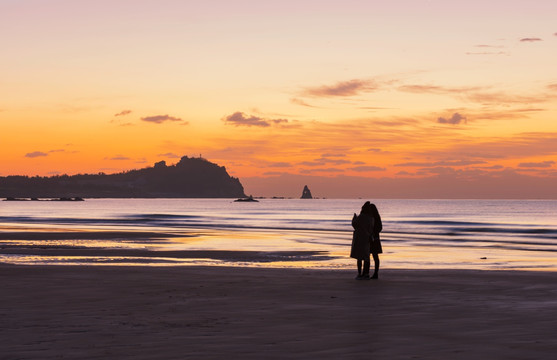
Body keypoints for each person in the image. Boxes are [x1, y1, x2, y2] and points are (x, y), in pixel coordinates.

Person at [350, 202, 374, 280]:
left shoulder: (361, 217)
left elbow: (355, 225)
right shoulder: (371, 218)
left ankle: (359, 273)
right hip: (367, 238)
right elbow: (371, 229)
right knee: (366, 256)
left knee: (359, 257)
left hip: (359, 238)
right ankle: (366, 273)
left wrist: (354, 218)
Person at [369, 203, 383, 279]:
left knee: (374, 256)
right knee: (374, 256)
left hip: (374, 238)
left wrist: (373, 232)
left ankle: (375, 273)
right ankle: (374, 273)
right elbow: (380, 228)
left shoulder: (374, 218)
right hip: (374, 238)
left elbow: (379, 228)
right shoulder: (376, 217)